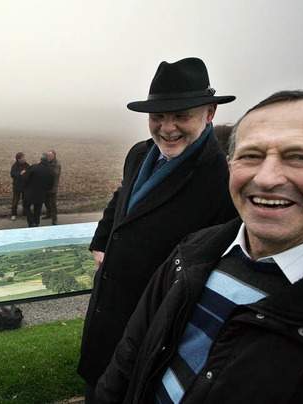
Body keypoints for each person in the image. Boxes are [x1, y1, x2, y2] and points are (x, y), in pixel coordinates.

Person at [95, 90, 303, 403]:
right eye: (251, 156)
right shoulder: (193, 253)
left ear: (208, 116)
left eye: (300, 157)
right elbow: (133, 352)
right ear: (231, 164)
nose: (268, 177)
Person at [78, 57, 239, 400]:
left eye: (181, 116)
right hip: (108, 309)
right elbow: (121, 197)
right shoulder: (139, 154)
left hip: (155, 327)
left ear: (209, 113)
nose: (167, 128)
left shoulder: (222, 180)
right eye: (158, 117)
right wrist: (102, 241)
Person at [21, 153, 55, 227]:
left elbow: (25, 179)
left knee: (26, 206)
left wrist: (24, 188)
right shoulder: (51, 171)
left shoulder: (33, 167)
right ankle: (36, 222)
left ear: (40, 160)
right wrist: (45, 190)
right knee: (38, 208)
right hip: (41, 193)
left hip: (30, 192)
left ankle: (31, 222)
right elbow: (51, 185)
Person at [43, 149, 61, 225]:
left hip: (53, 187)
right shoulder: (45, 162)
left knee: (53, 204)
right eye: (47, 156)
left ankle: (54, 219)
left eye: (50, 156)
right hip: (45, 186)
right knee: (46, 201)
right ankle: (49, 214)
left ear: (54, 156)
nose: (48, 157)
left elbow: (55, 174)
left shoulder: (57, 164)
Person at [10, 151, 30, 221]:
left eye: (24, 157)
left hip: (25, 187)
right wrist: (20, 174)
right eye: (23, 157)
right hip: (17, 187)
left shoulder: (27, 165)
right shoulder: (14, 166)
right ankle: (13, 214)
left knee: (25, 201)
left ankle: (24, 214)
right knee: (15, 201)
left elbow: (30, 173)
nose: (24, 158)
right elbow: (12, 174)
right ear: (19, 159)